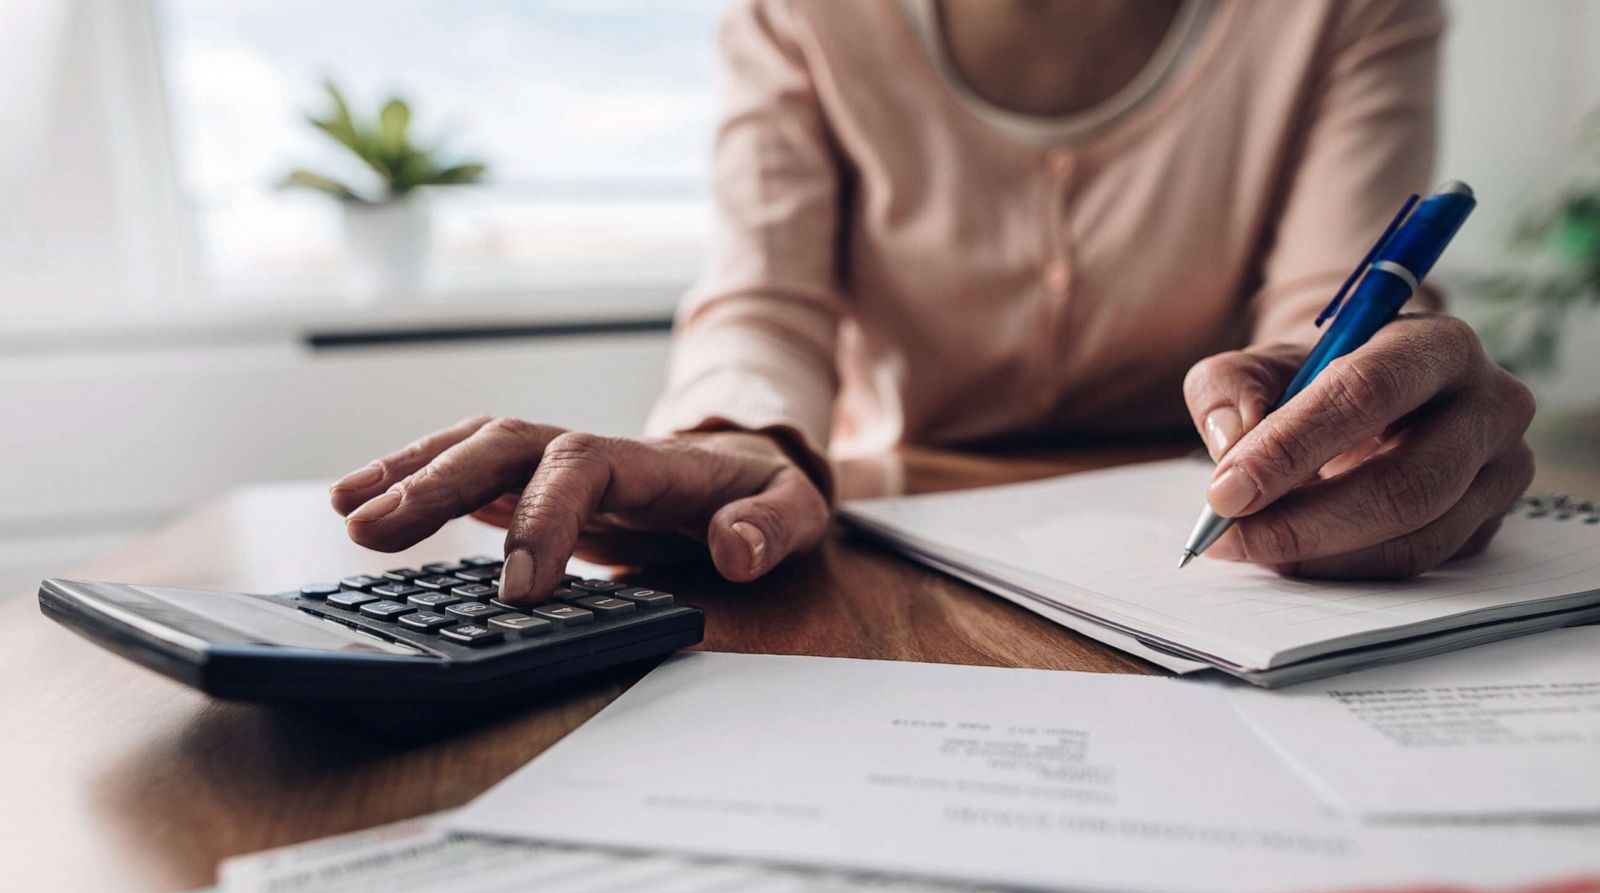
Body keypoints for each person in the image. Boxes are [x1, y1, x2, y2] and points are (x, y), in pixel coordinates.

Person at [330, 0, 1536, 605]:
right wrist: (734, 435)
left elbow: (1333, 305)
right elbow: (764, 298)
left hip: (1215, 552)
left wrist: (1360, 401)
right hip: (890, 546)